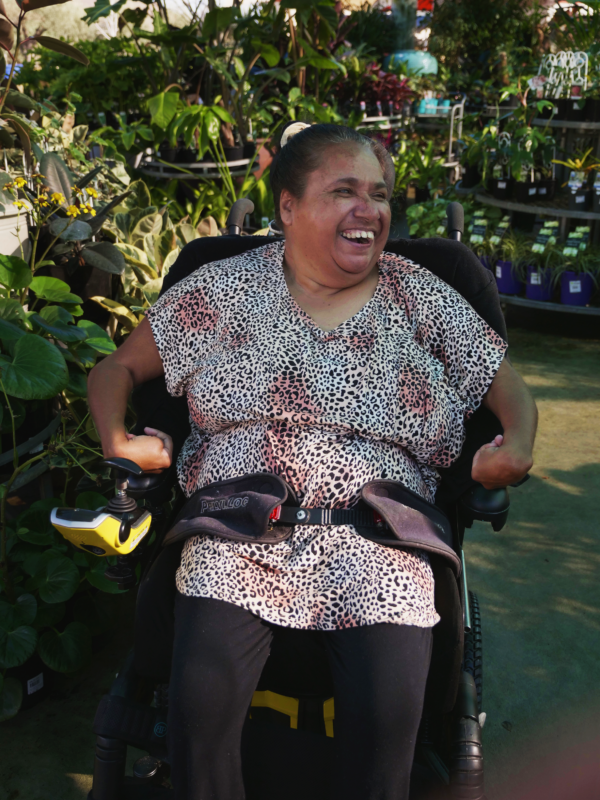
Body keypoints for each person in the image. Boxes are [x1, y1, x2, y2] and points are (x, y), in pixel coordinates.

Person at [88, 123, 537, 800]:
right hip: (239, 527)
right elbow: (117, 367)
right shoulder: (224, 287)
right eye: (344, 191)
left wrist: (518, 452)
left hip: (383, 535)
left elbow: (513, 396)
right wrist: (118, 439)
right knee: (199, 724)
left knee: (386, 735)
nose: (370, 210)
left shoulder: (423, 294)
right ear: (289, 208)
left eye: (379, 194)